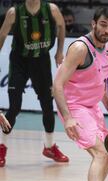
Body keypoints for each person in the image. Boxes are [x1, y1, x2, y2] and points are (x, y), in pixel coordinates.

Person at [53, 7, 108, 181]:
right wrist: (68, 117)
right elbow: (57, 84)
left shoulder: (107, 45)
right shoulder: (80, 48)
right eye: (103, 25)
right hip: (75, 107)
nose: (107, 30)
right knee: (101, 152)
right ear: (94, 24)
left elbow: (103, 81)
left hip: (92, 107)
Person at [0, 0, 68, 168]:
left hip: (41, 61)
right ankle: (2, 147)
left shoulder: (51, 9)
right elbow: (2, 35)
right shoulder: (14, 12)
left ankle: (50, 146)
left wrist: (59, 51)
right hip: (19, 62)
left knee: (47, 105)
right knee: (14, 107)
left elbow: (61, 26)